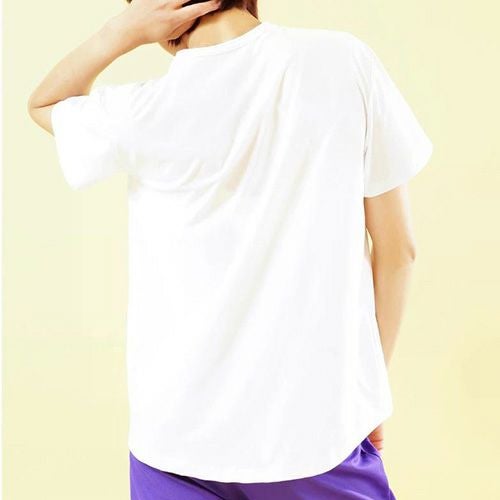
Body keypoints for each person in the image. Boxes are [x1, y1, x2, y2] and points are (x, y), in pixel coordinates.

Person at [28, 0, 433, 498]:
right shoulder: (344, 62)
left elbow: (44, 103)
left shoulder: (144, 109)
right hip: (315, 433)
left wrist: (123, 31)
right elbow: (398, 251)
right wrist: (366, 394)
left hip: (175, 442)